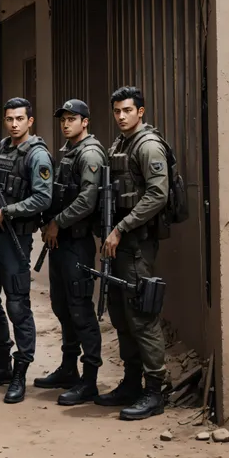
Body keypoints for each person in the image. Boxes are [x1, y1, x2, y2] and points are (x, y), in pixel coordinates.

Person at [96, 86, 169, 421]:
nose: (121, 116)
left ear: (141, 111)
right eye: (117, 111)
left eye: (128, 110)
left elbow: (157, 194)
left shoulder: (148, 145)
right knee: (121, 315)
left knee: (141, 316)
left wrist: (121, 228)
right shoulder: (121, 144)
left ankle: (156, 390)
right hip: (120, 244)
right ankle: (131, 383)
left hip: (137, 244)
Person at [0, 97, 53, 404]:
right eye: (9, 119)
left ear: (30, 121)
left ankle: (21, 371)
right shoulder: (2, 148)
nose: (14, 124)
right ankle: (3, 362)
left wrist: (6, 213)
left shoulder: (38, 156)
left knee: (17, 306)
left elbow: (42, 199)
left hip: (15, 240)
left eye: (20, 118)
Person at [34, 99, 106, 406]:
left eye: (72, 118)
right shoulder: (69, 151)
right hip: (61, 243)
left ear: (85, 121)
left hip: (76, 243)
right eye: (63, 119)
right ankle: (68, 368)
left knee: (80, 309)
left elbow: (87, 201)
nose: (66, 123)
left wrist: (56, 223)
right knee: (62, 306)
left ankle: (89, 380)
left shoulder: (89, 153)